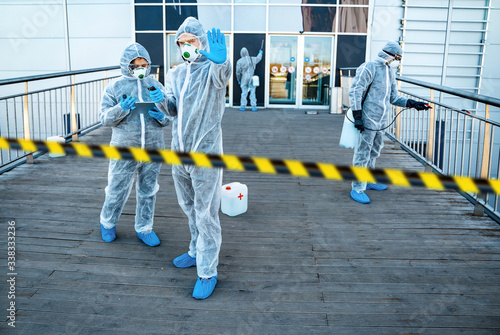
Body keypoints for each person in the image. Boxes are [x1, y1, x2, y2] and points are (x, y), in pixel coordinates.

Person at [152, 17, 231, 300]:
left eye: (192, 41)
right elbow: (172, 109)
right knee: (188, 207)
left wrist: (221, 61)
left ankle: (208, 271)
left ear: (202, 43)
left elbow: (223, 77)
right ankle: (195, 251)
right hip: (179, 152)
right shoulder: (176, 74)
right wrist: (157, 97)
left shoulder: (211, 69)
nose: (186, 47)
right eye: (182, 43)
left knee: (206, 213)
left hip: (206, 153)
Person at [99, 42, 170, 246]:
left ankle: (144, 227)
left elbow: (169, 116)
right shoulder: (115, 87)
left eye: (143, 64)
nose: (140, 68)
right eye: (135, 65)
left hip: (153, 147)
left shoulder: (156, 85)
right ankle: (107, 222)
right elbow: (104, 118)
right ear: (126, 66)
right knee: (117, 188)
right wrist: (120, 109)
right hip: (124, 148)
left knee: (149, 190)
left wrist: (161, 116)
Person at [349, 41, 430, 204]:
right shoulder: (369, 67)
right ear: (390, 55)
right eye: (397, 57)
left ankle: (369, 180)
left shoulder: (389, 72)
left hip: (381, 120)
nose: (397, 61)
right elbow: (355, 91)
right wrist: (358, 115)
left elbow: (393, 97)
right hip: (367, 118)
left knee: (374, 151)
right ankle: (357, 187)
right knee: (363, 153)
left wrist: (412, 103)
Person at [236, 47, 263, 112]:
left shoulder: (239, 61)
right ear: (247, 52)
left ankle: (243, 106)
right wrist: (260, 53)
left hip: (244, 78)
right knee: (252, 92)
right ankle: (253, 106)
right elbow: (258, 58)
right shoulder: (252, 59)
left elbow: (238, 72)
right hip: (252, 77)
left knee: (244, 93)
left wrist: (238, 79)